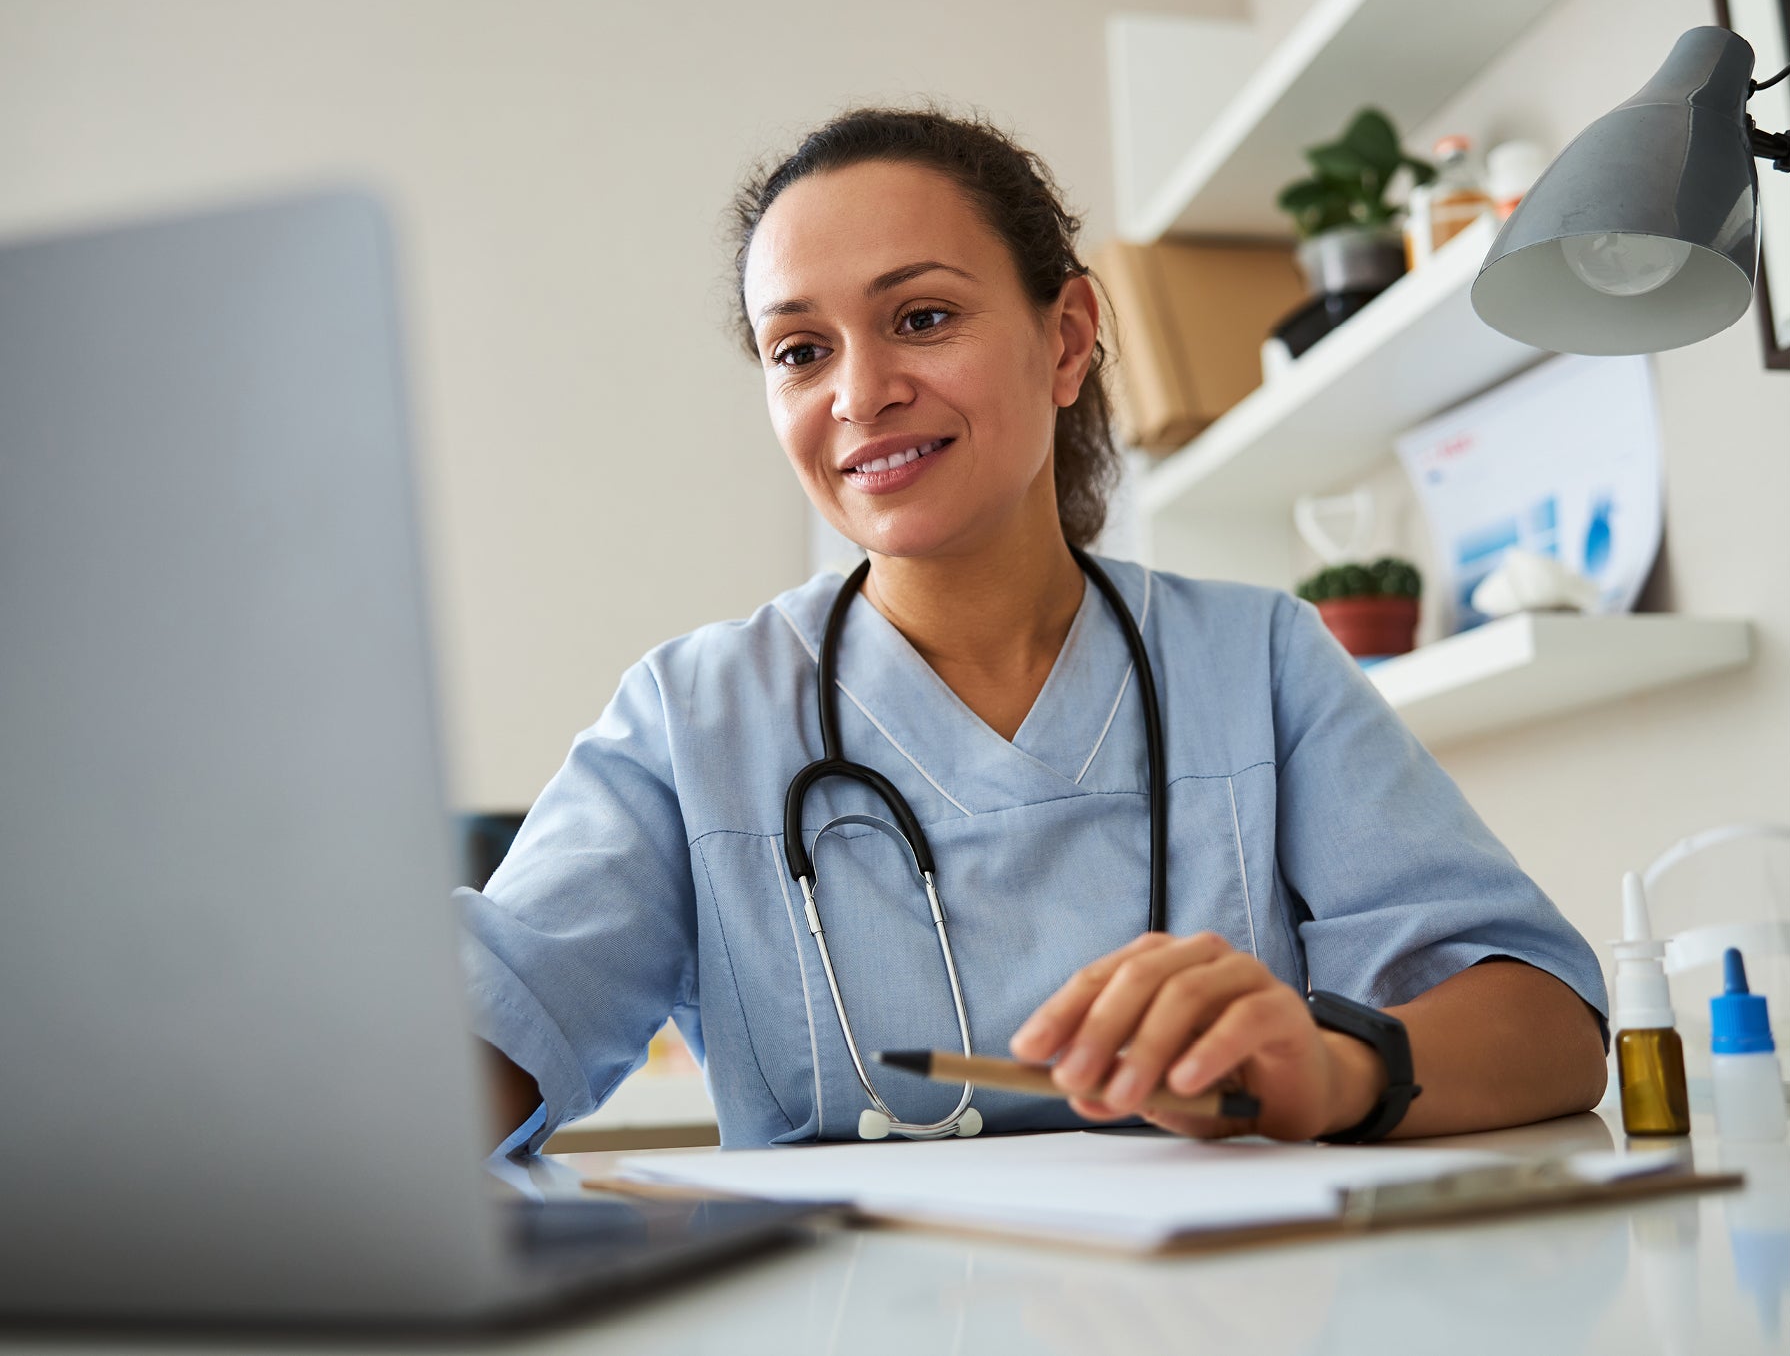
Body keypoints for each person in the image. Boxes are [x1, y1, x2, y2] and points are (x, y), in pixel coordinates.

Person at [460, 106, 1609, 1154]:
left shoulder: (1256, 663)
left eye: (921, 317)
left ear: (1064, 341)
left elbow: (1547, 1026)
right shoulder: (691, 719)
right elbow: (483, 1042)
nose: (858, 394)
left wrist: (1333, 1068)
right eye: (799, 351)